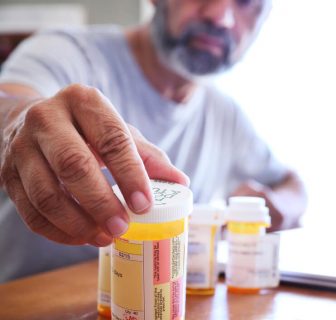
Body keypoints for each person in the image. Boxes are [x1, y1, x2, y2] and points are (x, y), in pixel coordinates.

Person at [0, 0, 307, 282]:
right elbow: (10, 105)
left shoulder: (225, 115)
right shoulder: (64, 52)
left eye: (248, 3)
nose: (221, 16)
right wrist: (18, 124)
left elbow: (293, 185)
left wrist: (275, 206)